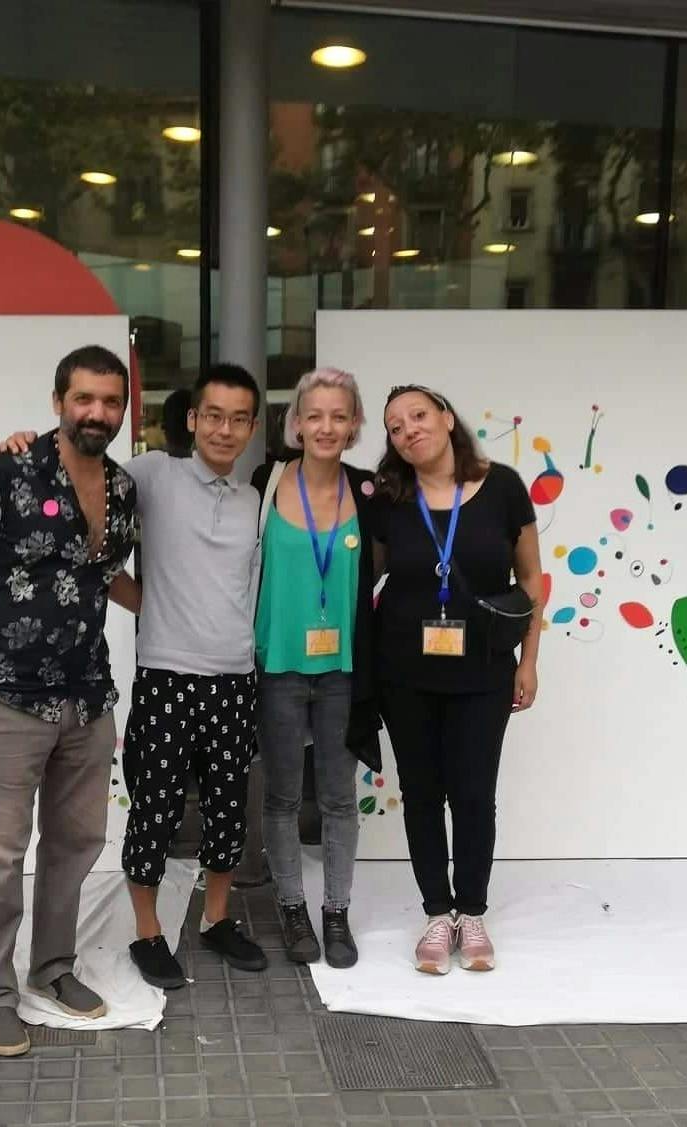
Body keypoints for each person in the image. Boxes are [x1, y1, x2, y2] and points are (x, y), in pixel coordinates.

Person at [0, 365, 271, 990]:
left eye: (238, 419)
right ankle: (148, 933)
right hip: (168, 675)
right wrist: (22, 444)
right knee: (156, 808)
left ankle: (217, 919)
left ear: (252, 427)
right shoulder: (151, 475)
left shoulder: (254, 499)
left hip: (235, 677)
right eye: (213, 416)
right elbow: (77, 470)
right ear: (193, 419)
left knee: (228, 811)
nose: (224, 430)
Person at [0, 344, 139, 1057]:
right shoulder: (5, 471)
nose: (97, 412)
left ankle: (52, 968)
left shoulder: (122, 488)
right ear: (59, 401)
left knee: (75, 844)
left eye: (110, 401)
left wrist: (183, 607)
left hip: (88, 699)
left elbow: (106, 574)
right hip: (7, 698)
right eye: (84, 398)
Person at [369, 385, 544, 975]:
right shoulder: (391, 498)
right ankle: (435, 913)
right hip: (405, 673)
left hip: (484, 670)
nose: (409, 430)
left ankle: (471, 911)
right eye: (395, 426)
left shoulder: (504, 489)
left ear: (446, 418)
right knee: (421, 794)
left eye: (419, 415)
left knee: (472, 794)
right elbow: (368, 580)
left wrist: (528, 661)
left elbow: (532, 581)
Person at [249, 367, 378, 968]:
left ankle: (336, 911)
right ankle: (292, 906)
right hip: (277, 664)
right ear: (296, 423)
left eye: (339, 416)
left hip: (343, 671)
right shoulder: (265, 483)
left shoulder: (370, 494)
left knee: (337, 798)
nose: (326, 427)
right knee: (280, 797)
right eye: (315, 415)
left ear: (354, 426)